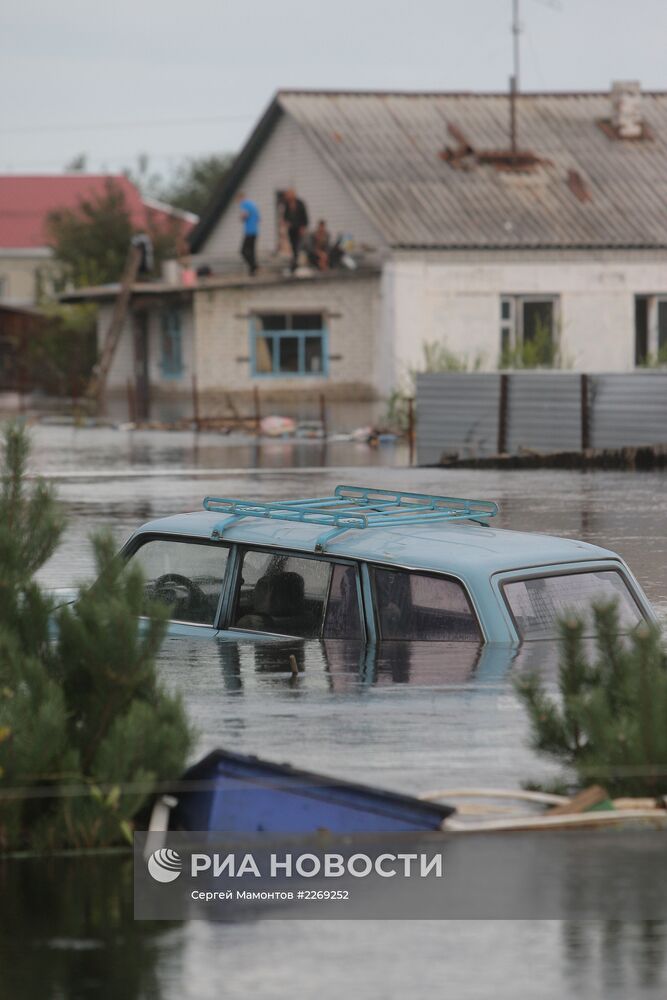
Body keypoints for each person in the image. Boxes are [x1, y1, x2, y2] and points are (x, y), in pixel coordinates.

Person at [282, 189, 309, 272]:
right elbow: (285, 216)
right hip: (291, 229)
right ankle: (294, 263)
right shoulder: (287, 205)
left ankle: (295, 262)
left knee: (298, 245)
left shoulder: (300, 203)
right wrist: (286, 223)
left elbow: (304, 216)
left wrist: (303, 227)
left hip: (299, 228)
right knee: (293, 245)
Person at [237, 191, 259, 275]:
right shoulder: (253, 204)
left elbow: (244, 215)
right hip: (255, 231)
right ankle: (252, 270)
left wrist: (241, 218)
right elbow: (258, 219)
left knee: (243, 251)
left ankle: (253, 265)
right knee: (252, 251)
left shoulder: (244, 204)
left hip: (249, 231)